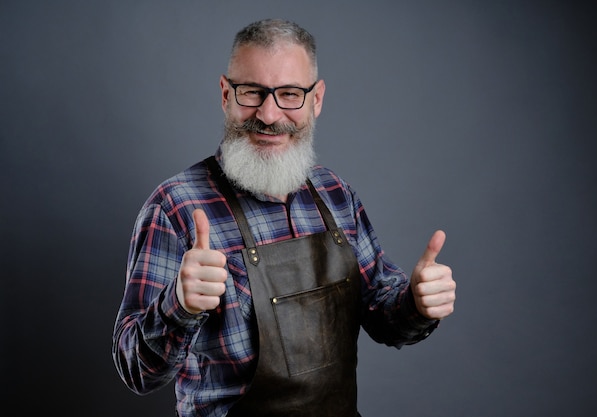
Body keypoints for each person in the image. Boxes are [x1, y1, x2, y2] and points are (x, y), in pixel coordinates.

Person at [112, 18, 456, 417]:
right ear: (226, 94)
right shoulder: (174, 208)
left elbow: (384, 315)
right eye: (252, 92)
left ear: (317, 99)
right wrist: (180, 305)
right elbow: (137, 371)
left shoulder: (336, 196)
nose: (270, 114)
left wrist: (416, 302)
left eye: (290, 94)